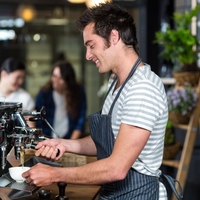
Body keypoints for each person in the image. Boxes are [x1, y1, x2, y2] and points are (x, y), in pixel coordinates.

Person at [23, 3, 182, 199]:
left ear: (114, 37)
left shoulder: (142, 88)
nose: (88, 55)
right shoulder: (117, 82)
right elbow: (109, 140)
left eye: (91, 45)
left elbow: (116, 168)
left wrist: (53, 174)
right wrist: (64, 144)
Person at [35, 61, 87, 139]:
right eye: (54, 76)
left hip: (69, 138)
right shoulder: (44, 94)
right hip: (48, 138)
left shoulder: (78, 92)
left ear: (68, 80)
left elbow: (80, 122)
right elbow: (38, 121)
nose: (56, 80)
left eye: (61, 78)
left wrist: (70, 144)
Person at [0, 57, 35, 126]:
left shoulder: (25, 97)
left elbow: (31, 127)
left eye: (22, 78)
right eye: (18, 77)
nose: (21, 82)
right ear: (4, 74)